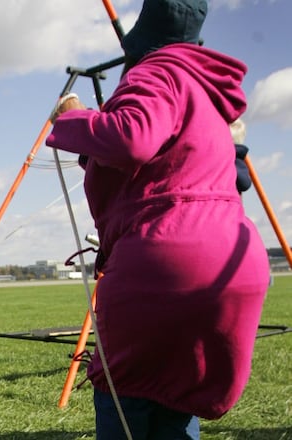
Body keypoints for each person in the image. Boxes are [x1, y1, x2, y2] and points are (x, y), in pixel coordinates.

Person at [46, 0, 268, 438]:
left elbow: (133, 137)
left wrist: (74, 120)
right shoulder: (205, 94)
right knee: (175, 394)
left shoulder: (158, 68)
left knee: (123, 391)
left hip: (168, 259)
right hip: (231, 263)